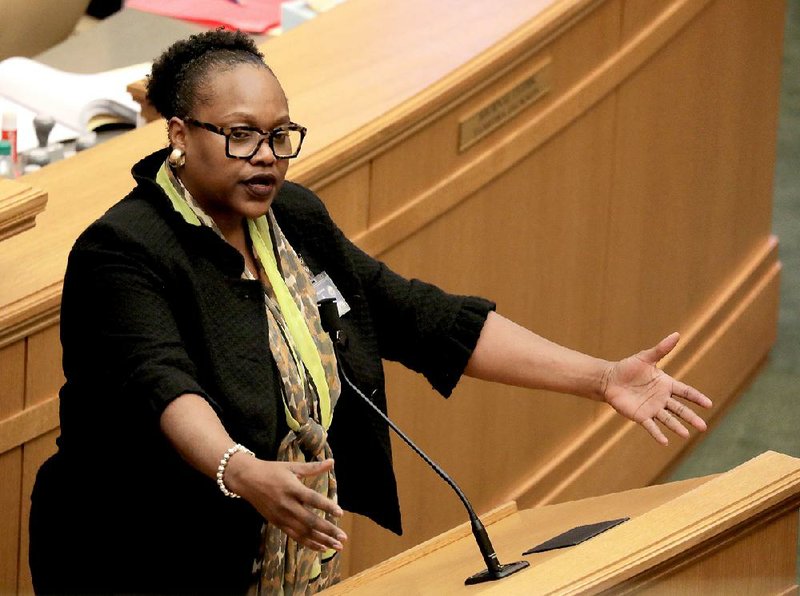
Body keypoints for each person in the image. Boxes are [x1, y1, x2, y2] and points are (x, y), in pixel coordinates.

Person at [28, 29, 712, 595]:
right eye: (241, 137)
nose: (266, 158)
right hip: (138, 557)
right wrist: (240, 470)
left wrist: (600, 378)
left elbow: (418, 316)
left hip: (277, 548)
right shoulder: (124, 249)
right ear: (180, 133)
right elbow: (161, 382)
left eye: (279, 136)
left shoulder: (293, 219)